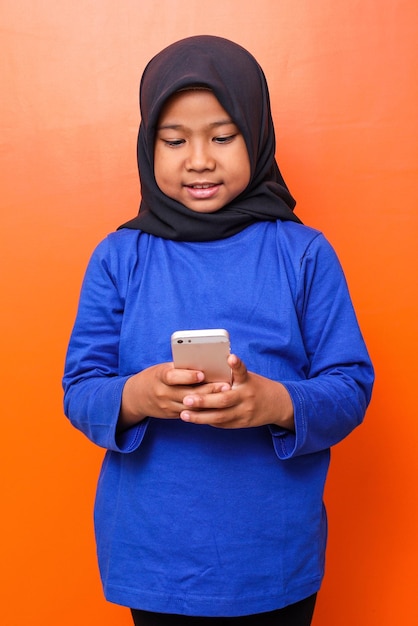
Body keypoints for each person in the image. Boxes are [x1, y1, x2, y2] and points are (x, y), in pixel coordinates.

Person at [63, 35, 374, 626]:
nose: (198, 158)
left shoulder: (303, 253)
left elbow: (350, 386)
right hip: (155, 559)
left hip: (273, 557)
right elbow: (80, 389)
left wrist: (275, 401)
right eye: (174, 140)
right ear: (147, 143)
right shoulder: (118, 257)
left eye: (222, 137)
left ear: (256, 136)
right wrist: (138, 394)